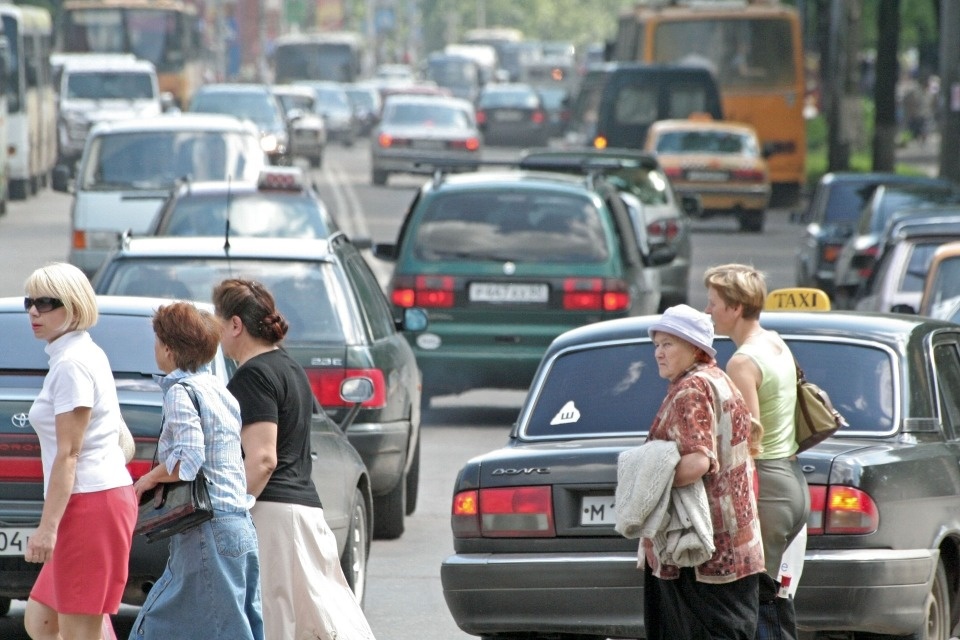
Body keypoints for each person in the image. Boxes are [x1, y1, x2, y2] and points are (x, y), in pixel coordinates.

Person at [212, 278, 376, 640]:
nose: (217, 333)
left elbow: (262, 460)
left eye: (218, 323)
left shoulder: (252, 376)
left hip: (274, 515)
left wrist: (228, 510)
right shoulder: (289, 366)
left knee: (278, 623)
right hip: (304, 511)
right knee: (325, 622)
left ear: (235, 325)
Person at [130, 301, 263, 639]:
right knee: (240, 621)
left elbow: (188, 461)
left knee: (157, 624)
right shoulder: (220, 389)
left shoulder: (180, 392)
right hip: (239, 523)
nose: (155, 348)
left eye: (158, 341)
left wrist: (149, 478)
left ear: (169, 349)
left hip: (207, 527)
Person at [22, 262, 137, 640]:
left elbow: (69, 454)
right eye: (30, 302)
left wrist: (47, 529)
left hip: (90, 502)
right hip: (89, 500)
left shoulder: (72, 363)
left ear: (72, 306)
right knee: (41, 620)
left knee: (77, 631)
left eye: (45, 302)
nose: (34, 311)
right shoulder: (73, 354)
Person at [642, 304, 765, 640]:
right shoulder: (719, 379)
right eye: (657, 345)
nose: (659, 353)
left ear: (694, 348)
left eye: (668, 344)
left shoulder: (691, 390)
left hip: (698, 554)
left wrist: (646, 487)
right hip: (738, 545)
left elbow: (698, 461)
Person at [704, 264, 810, 639]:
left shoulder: (742, 361)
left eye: (713, 303)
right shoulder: (775, 342)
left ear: (735, 308)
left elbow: (748, 438)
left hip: (767, 487)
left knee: (756, 599)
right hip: (793, 481)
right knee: (776, 597)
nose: (708, 311)